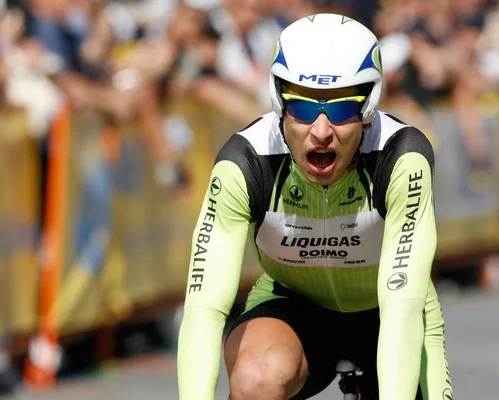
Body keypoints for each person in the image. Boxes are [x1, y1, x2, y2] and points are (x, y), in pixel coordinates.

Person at [177, 13, 453, 400]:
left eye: (341, 109)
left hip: (388, 312)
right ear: (279, 103)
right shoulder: (246, 163)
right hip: (293, 310)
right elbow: (203, 310)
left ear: (369, 107)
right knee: (257, 377)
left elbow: (401, 309)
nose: (321, 132)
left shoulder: (401, 157)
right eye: (303, 108)